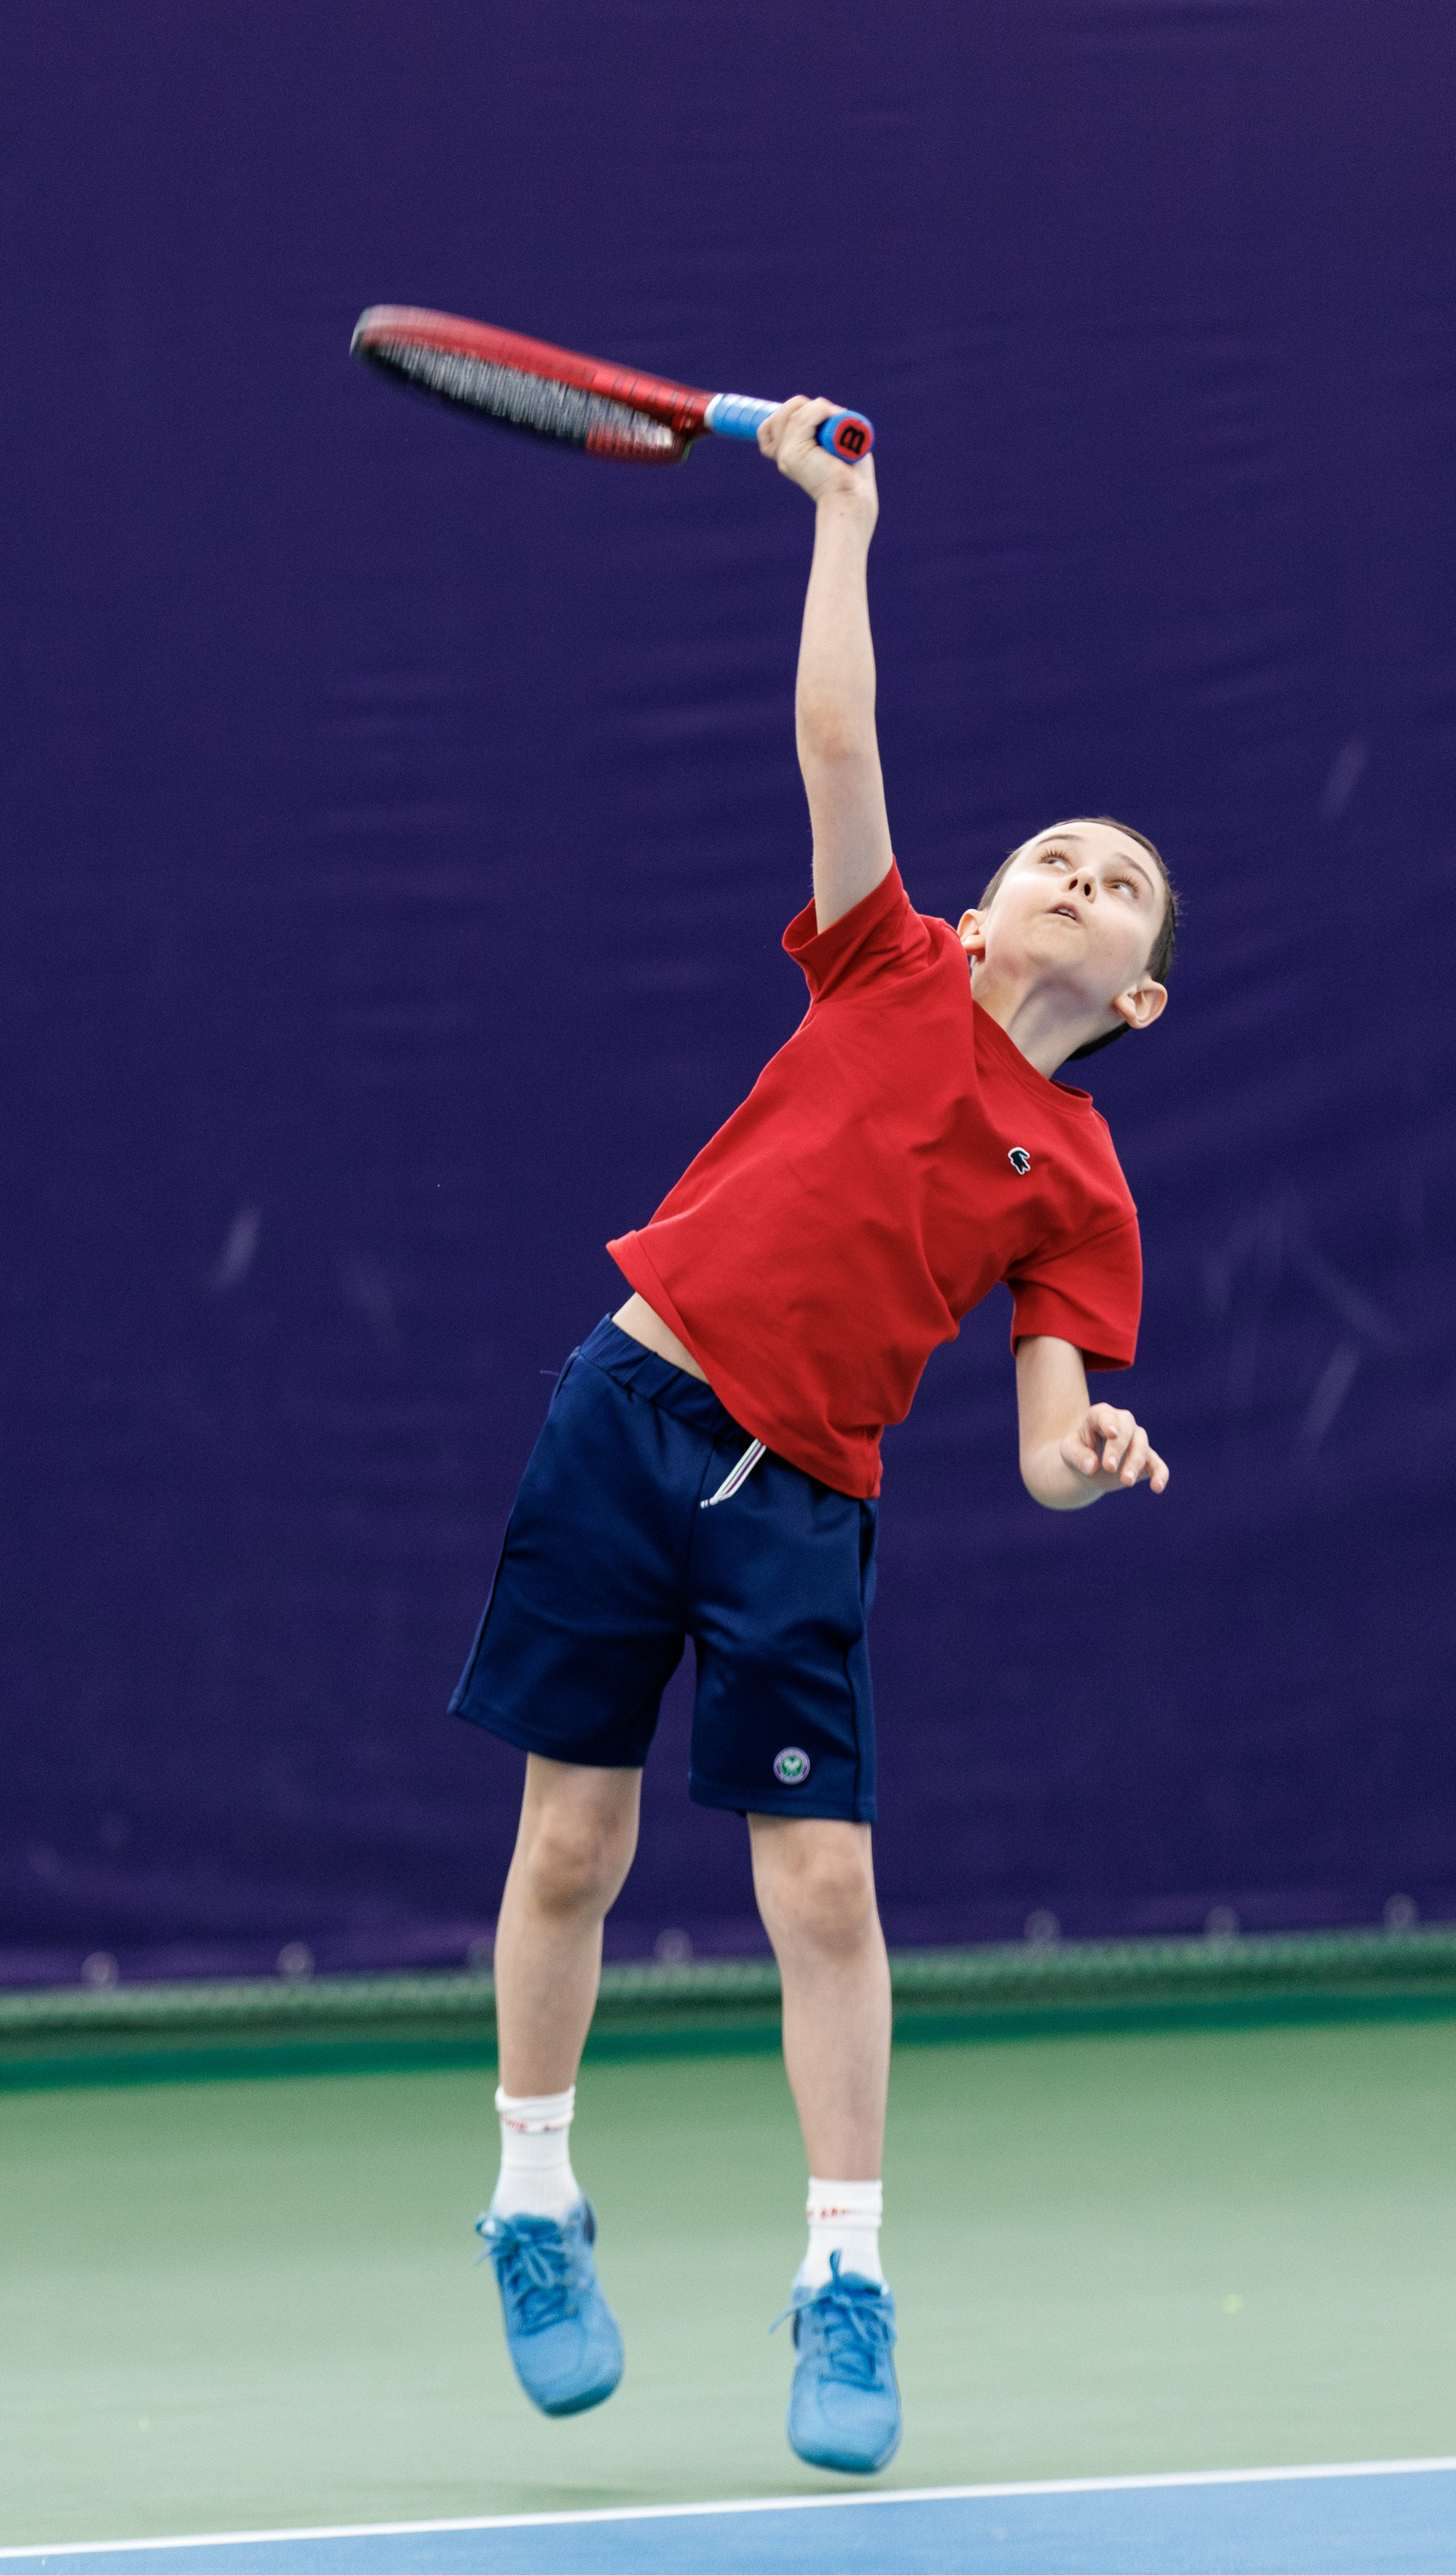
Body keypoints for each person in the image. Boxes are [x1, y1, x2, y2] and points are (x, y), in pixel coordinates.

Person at [452, 395, 1176, 2475]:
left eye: (1118, 884)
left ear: (1135, 993)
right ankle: (531, 2198)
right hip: (630, 1414)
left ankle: (843, 2277)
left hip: (807, 1510)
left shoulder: (1086, 1175)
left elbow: (1043, 1429)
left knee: (829, 1896)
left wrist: (1090, 1455)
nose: (1075, 874)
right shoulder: (887, 966)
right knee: (571, 1845)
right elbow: (838, 748)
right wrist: (842, 524)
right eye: (1056, 850)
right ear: (992, 895)